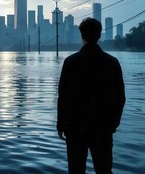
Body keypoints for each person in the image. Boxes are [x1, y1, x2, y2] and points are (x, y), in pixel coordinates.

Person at [57, 17, 125, 174]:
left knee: (76, 170)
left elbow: (63, 97)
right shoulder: (112, 62)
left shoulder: (70, 62)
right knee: (104, 170)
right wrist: (114, 123)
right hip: (103, 127)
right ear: (100, 35)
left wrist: (61, 124)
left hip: (75, 127)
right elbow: (120, 97)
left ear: (81, 35)